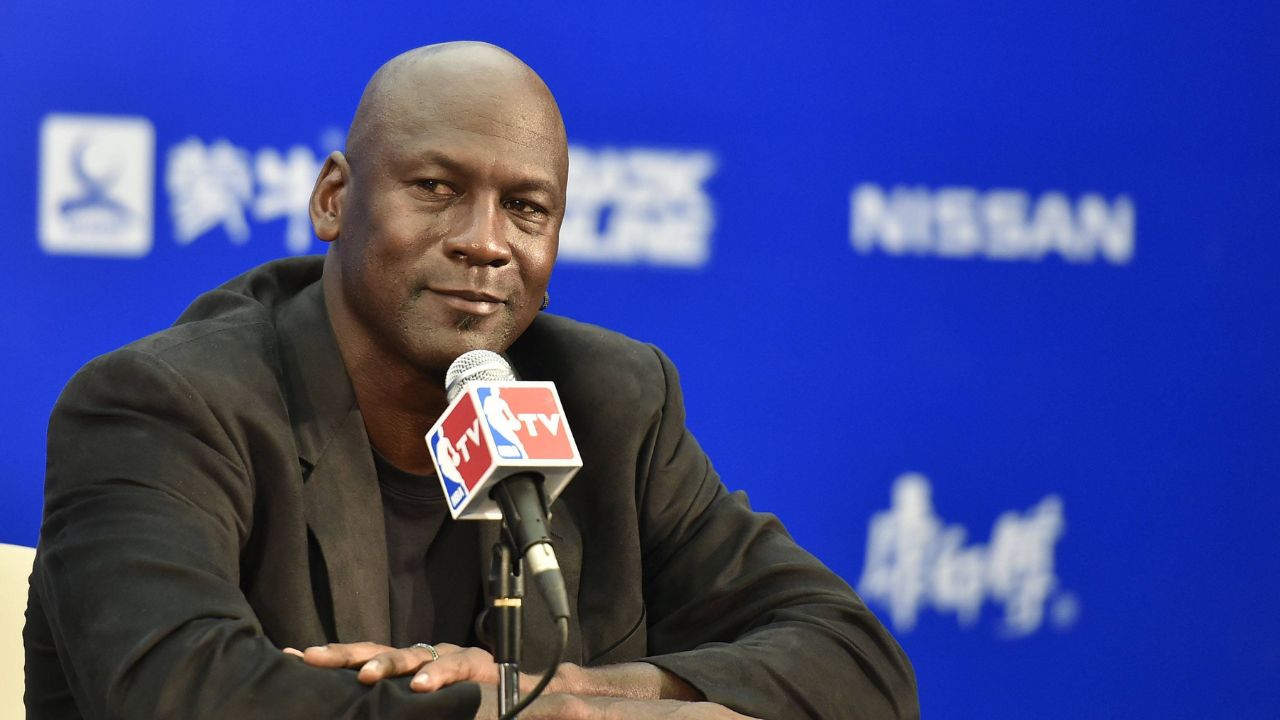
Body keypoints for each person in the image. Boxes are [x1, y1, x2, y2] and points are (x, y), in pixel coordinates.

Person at [25, 42, 919, 719]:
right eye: (437, 188)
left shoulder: (611, 402)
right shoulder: (163, 405)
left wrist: (581, 694)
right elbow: (182, 693)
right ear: (334, 198)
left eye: (525, 208)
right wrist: (503, 710)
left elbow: (856, 663)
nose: (486, 241)